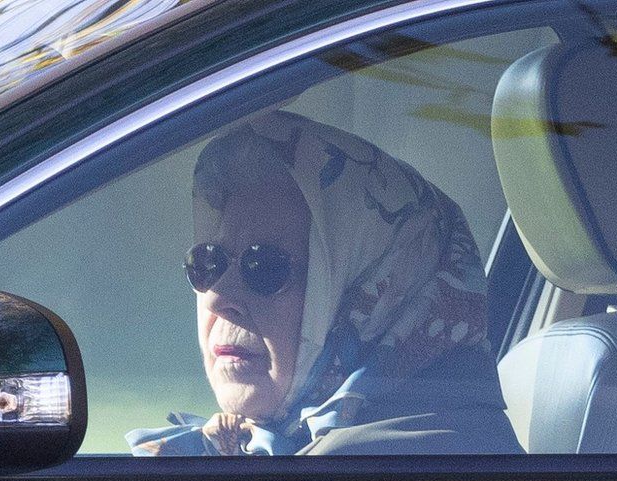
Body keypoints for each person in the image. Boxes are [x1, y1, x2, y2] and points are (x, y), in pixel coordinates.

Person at [126, 111, 523, 456]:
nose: (218, 297)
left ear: (373, 294)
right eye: (208, 262)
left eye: (263, 266)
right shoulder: (311, 448)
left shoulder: (374, 471)